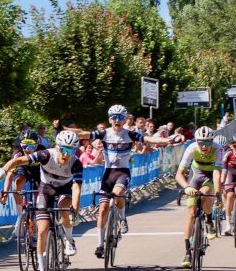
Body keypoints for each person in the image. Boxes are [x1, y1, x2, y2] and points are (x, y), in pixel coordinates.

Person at [63, 105, 169, 259]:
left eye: (120, 117)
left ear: (124, 119)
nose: (117, 120)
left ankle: (122, 217)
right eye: (114, 117)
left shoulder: (130, 134)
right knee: (103, 207)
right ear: (110, 119)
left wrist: (165, 139)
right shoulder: (104, 133)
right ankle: (100, 244)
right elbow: (83, 133)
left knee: (118, 194)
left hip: (122, 172)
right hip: (108, 173)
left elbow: (149, 139)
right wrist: (62, 128)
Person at [0, 130, 83, 271]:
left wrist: (75, 209)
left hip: (64, 189)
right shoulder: (45, 155)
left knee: (64, 208)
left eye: (71, 150)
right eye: (64, 149)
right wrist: (4, 168)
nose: (66, 154)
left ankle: (69, 239)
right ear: (57, 147)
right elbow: (20, 160)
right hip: (46, 189)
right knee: (41, 230)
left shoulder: (76, 163)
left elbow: (77, 187)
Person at [175, 126, 223, 268]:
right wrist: (186, 187)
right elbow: (179, 174)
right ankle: (187, 252)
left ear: (212, 141)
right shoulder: (191, 148)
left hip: (210, 176)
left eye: (207, 142)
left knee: (204, 194)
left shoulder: (218, 149)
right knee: (191, 213)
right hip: (195, 175)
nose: (204, 146)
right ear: (196, 142)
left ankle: (209, 221)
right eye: (201, 142)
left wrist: (218, 194)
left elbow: (216, 173)